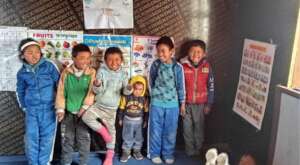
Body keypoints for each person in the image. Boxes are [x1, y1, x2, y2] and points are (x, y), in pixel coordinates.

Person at [81, 47, 131, 165]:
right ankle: (104, 133)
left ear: (122, 60)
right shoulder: (102, 71)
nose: (114, 62)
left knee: (112, 133)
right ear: (105, 60)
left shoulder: (124, 74)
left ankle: (109, 157)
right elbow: (97, 90)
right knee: (85, 117)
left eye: (117, 59)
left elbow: (125, 92)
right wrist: (97, 85)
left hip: (112, 109)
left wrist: (128, 89)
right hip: (98, 105)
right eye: (110, 60)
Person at [16, 38, 60, 165]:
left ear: (41, 53)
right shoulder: (22, 73)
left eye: (37, 51)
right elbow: (20, 90)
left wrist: (59, 106)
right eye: (29, 52)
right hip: (31, 111)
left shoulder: (49, 66)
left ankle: (44, 162)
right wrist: (24, 107)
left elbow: (60, 86)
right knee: (31, 138)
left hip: (49, 109)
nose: (34, 55)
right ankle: (33, 163)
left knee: (47, 139)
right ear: (23, 56)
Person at [55, 44, 96, 165]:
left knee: (84, 140)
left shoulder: (92, 72)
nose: (86, 61)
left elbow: (91, 92)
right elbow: (61, 92)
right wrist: (60, 109)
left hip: (85, 114)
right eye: (82, 57)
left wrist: (84, 108)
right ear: (74, 58)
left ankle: (83, 163)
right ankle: (66, 162)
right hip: (68, 114)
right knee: (67, 140)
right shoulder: (66, 73)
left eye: (88, 58)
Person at [148, 36, 186, 164]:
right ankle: (154, 153)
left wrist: (182, 104)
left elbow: (181, 87)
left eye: (163, 50)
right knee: (155, 129)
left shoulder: (177, 67)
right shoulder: (155, 64)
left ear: (172, 51)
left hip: (173, 105)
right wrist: (153, 96)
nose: (160, 54)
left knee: (170, 130)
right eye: (158, 51)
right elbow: (151, 81)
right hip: (157, 103)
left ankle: (168, 153)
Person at [180, 39, 214, 156]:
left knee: (199, 128)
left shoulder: (207, 67)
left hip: (201, 104)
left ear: (204, 54)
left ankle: (199, 150)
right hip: (186, 104)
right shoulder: (182, 66)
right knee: (187, 129)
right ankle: (190, 150)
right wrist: (182, 103)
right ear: (188, 53)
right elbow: (179, 86)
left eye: (199, 52)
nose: (195, 55)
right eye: (192, 51)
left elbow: (211, 86)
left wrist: (209, 104)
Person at [118, 75, 149, 162]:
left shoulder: (144, 98)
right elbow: (121, 108)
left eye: (140, 89)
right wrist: (120, 118)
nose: (138, 91)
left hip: (139, 121)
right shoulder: (126, 97)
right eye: (136, 88)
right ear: (132, 87)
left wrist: (146, 121)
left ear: (144, 89)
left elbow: (146, 111)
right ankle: (126, 152)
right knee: (127, 136)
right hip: (127, 120)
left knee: (139, 137)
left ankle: (137, 151)